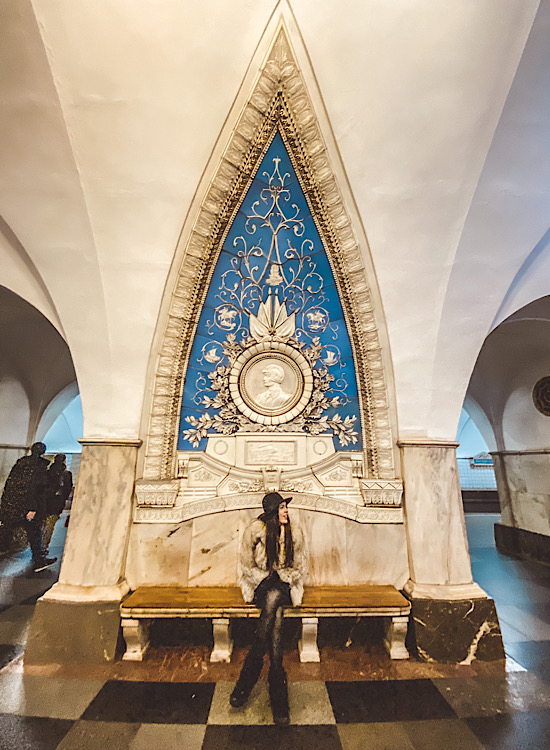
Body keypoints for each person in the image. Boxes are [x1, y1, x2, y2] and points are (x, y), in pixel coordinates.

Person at [230, 492, 307, 725]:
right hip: (260, 584)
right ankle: (279, 699)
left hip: (285, 584)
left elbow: (299, 567)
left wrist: (284, 577)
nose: (286, 511)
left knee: (274, 599)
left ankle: (250, 670)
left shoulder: (295, 532)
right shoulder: (255, 531)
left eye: (286, 507)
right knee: (275, 618)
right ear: (272, 513)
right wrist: (263, 579)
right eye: (282, 508)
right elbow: (246, 565)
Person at [0, 442, 56, 570]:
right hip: (27, 506)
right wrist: (32, 508)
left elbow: (10, 484)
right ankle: (39, 559)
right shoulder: (39, 466)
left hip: (13, 503)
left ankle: (38, 557)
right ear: (43, 452)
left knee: (10, 529)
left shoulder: (20, 464)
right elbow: (34, 488)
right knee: (34, 532)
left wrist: (6, 503)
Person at [42, 454, 73, 557]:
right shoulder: (67, 474)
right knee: (50, 524)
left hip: (45, 502)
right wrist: (63, 500)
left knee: (43, 523)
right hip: (57, 503)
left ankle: (39, 545)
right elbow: (67, 489)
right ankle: (43, 546)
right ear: (64, 461)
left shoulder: (48, 472)